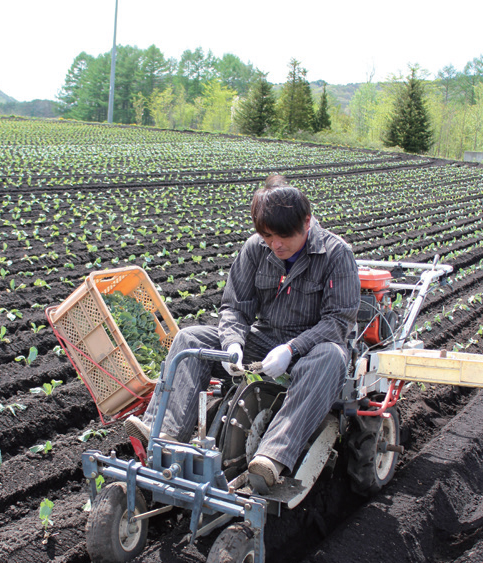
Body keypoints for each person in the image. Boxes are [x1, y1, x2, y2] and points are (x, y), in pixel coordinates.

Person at [126, 174, 360, 491]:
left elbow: (337, 321)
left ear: (307, 222)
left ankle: (272, 457)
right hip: (263, 340)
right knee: (190, 338)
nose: (275, 245)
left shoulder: (335, 254)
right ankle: (162, 433)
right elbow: (235, 307)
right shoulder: (255, 250)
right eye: (267, 236)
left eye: (283, 237)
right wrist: (233, 342)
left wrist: (292, 349)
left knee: (332, 355)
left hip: (311, 349)